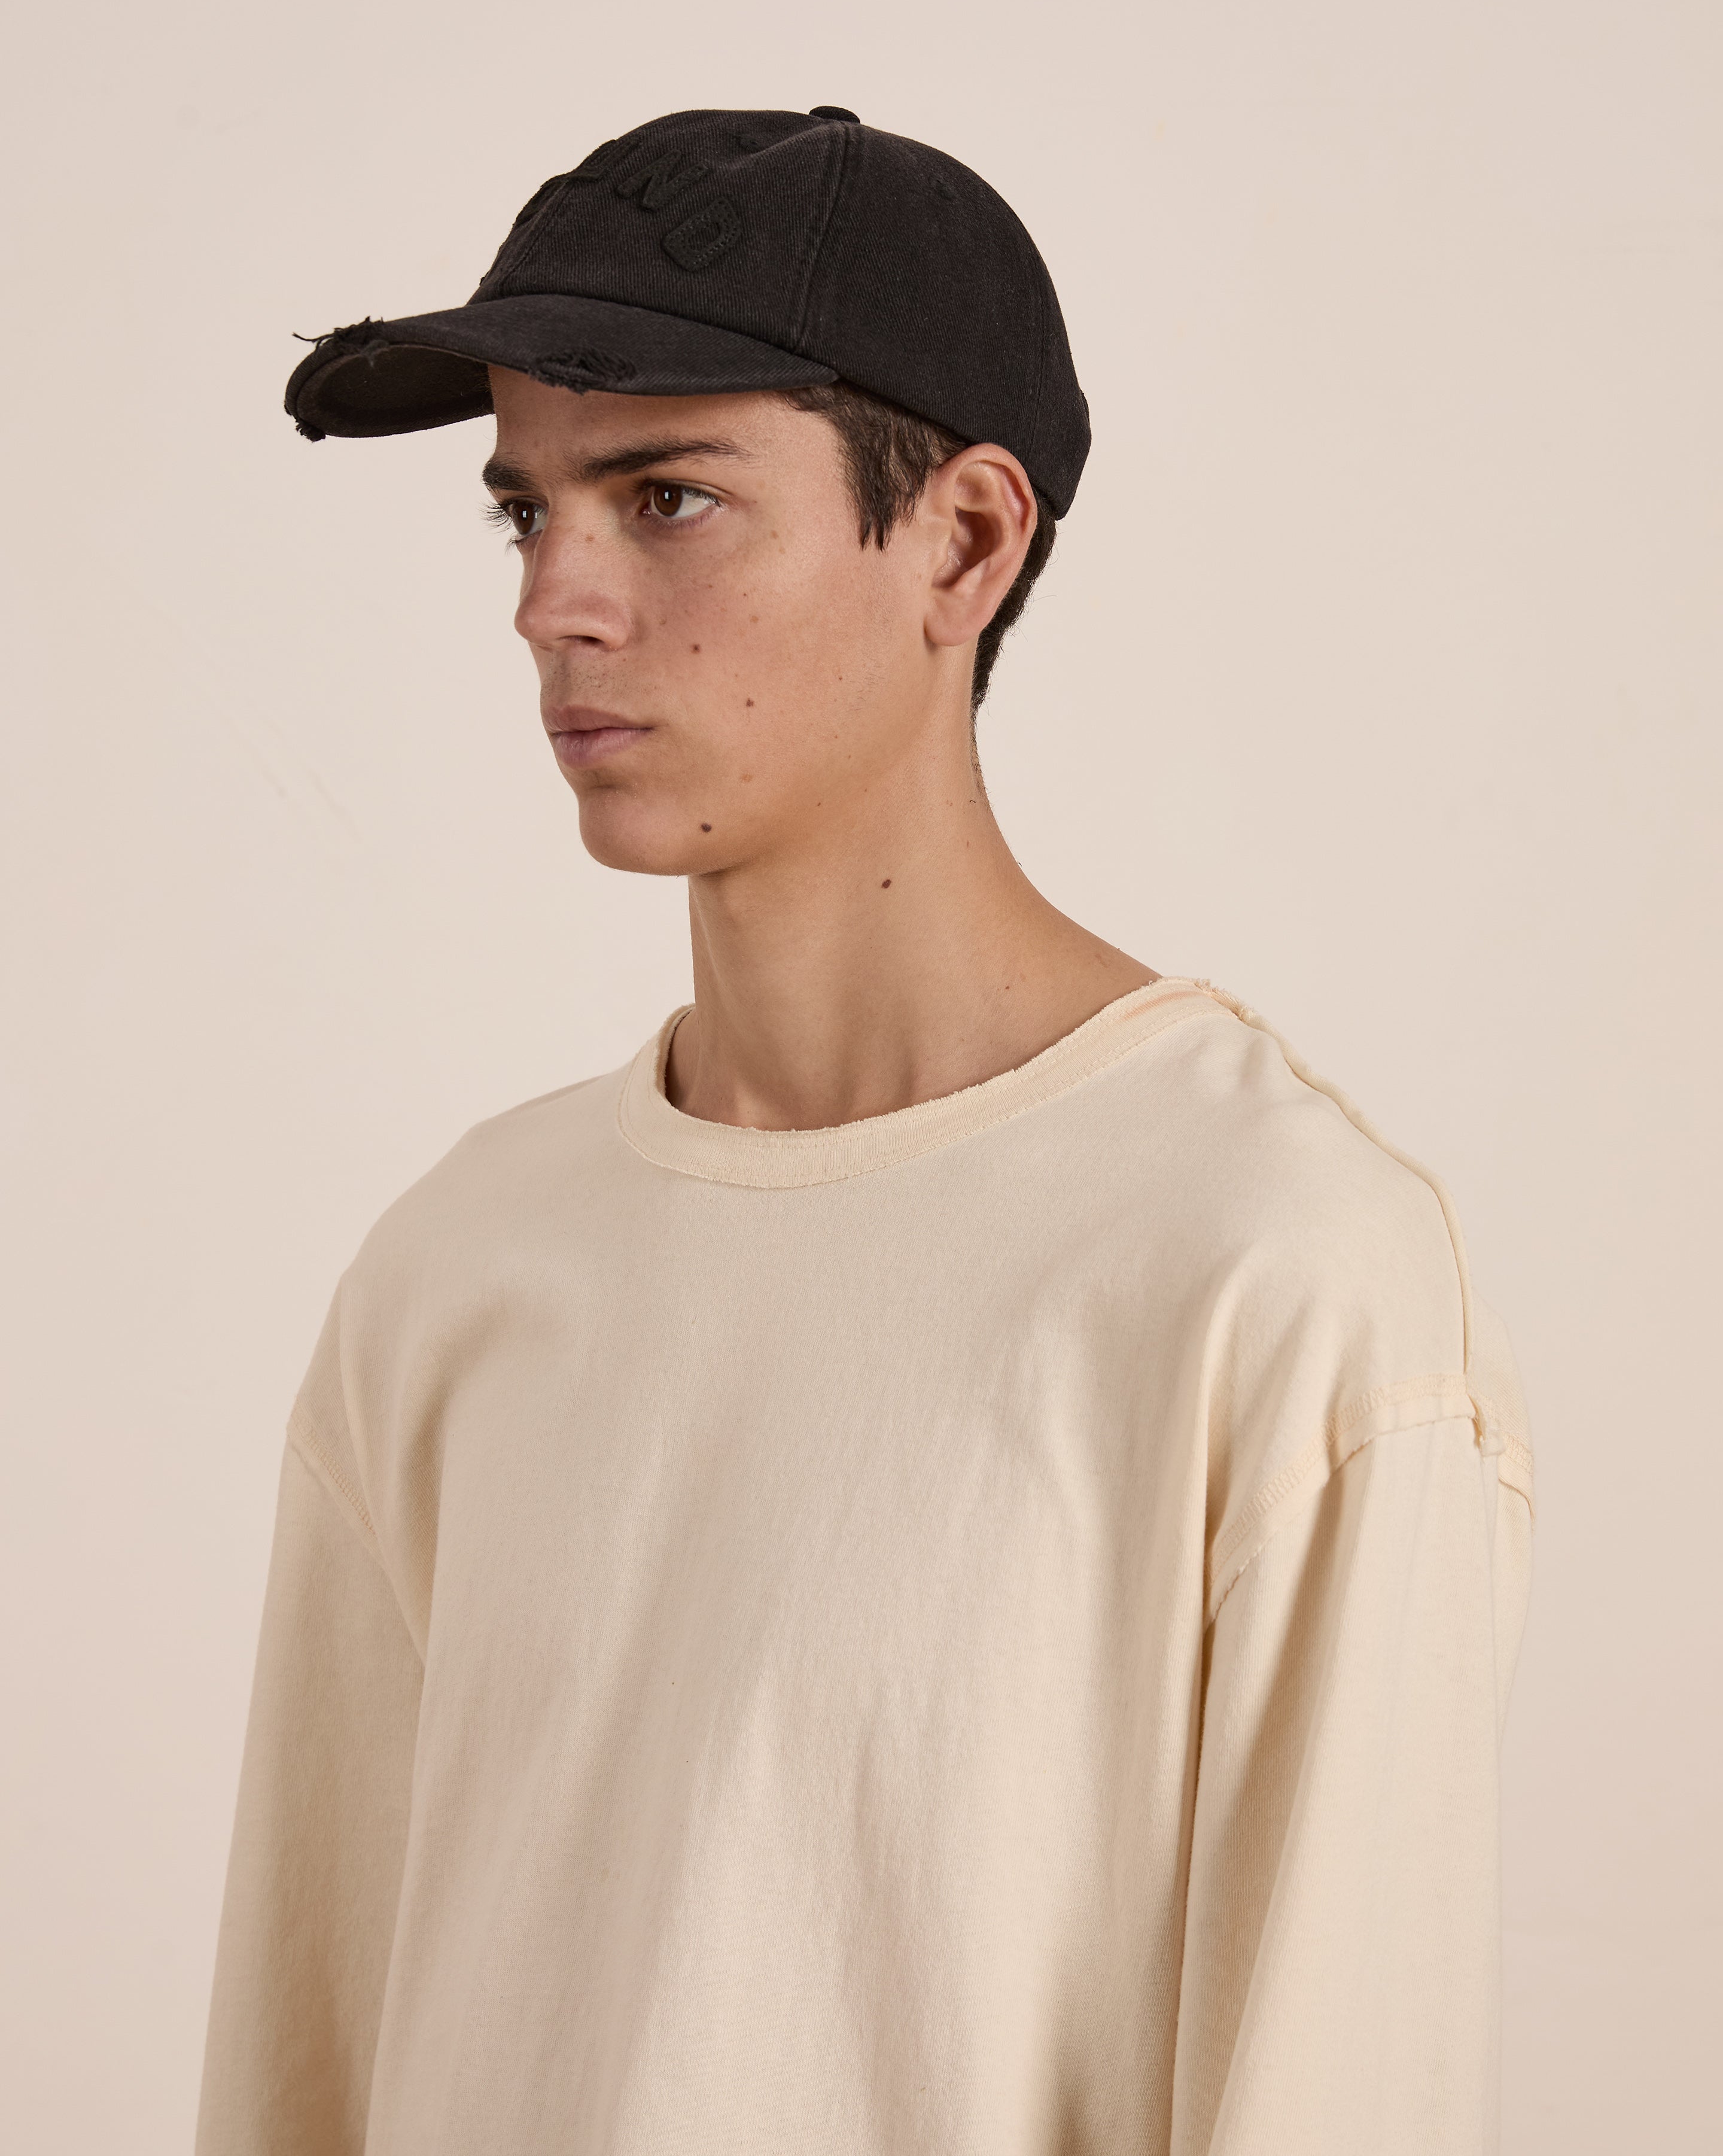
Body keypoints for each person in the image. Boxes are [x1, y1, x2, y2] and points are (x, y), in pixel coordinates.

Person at [194, 106, 1535, 2156]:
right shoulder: (461, 1276)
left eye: (665, 497)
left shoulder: (1274, 1280)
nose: (556, 601)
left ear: (967, 542)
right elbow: (306, 2076)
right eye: (522, 512)